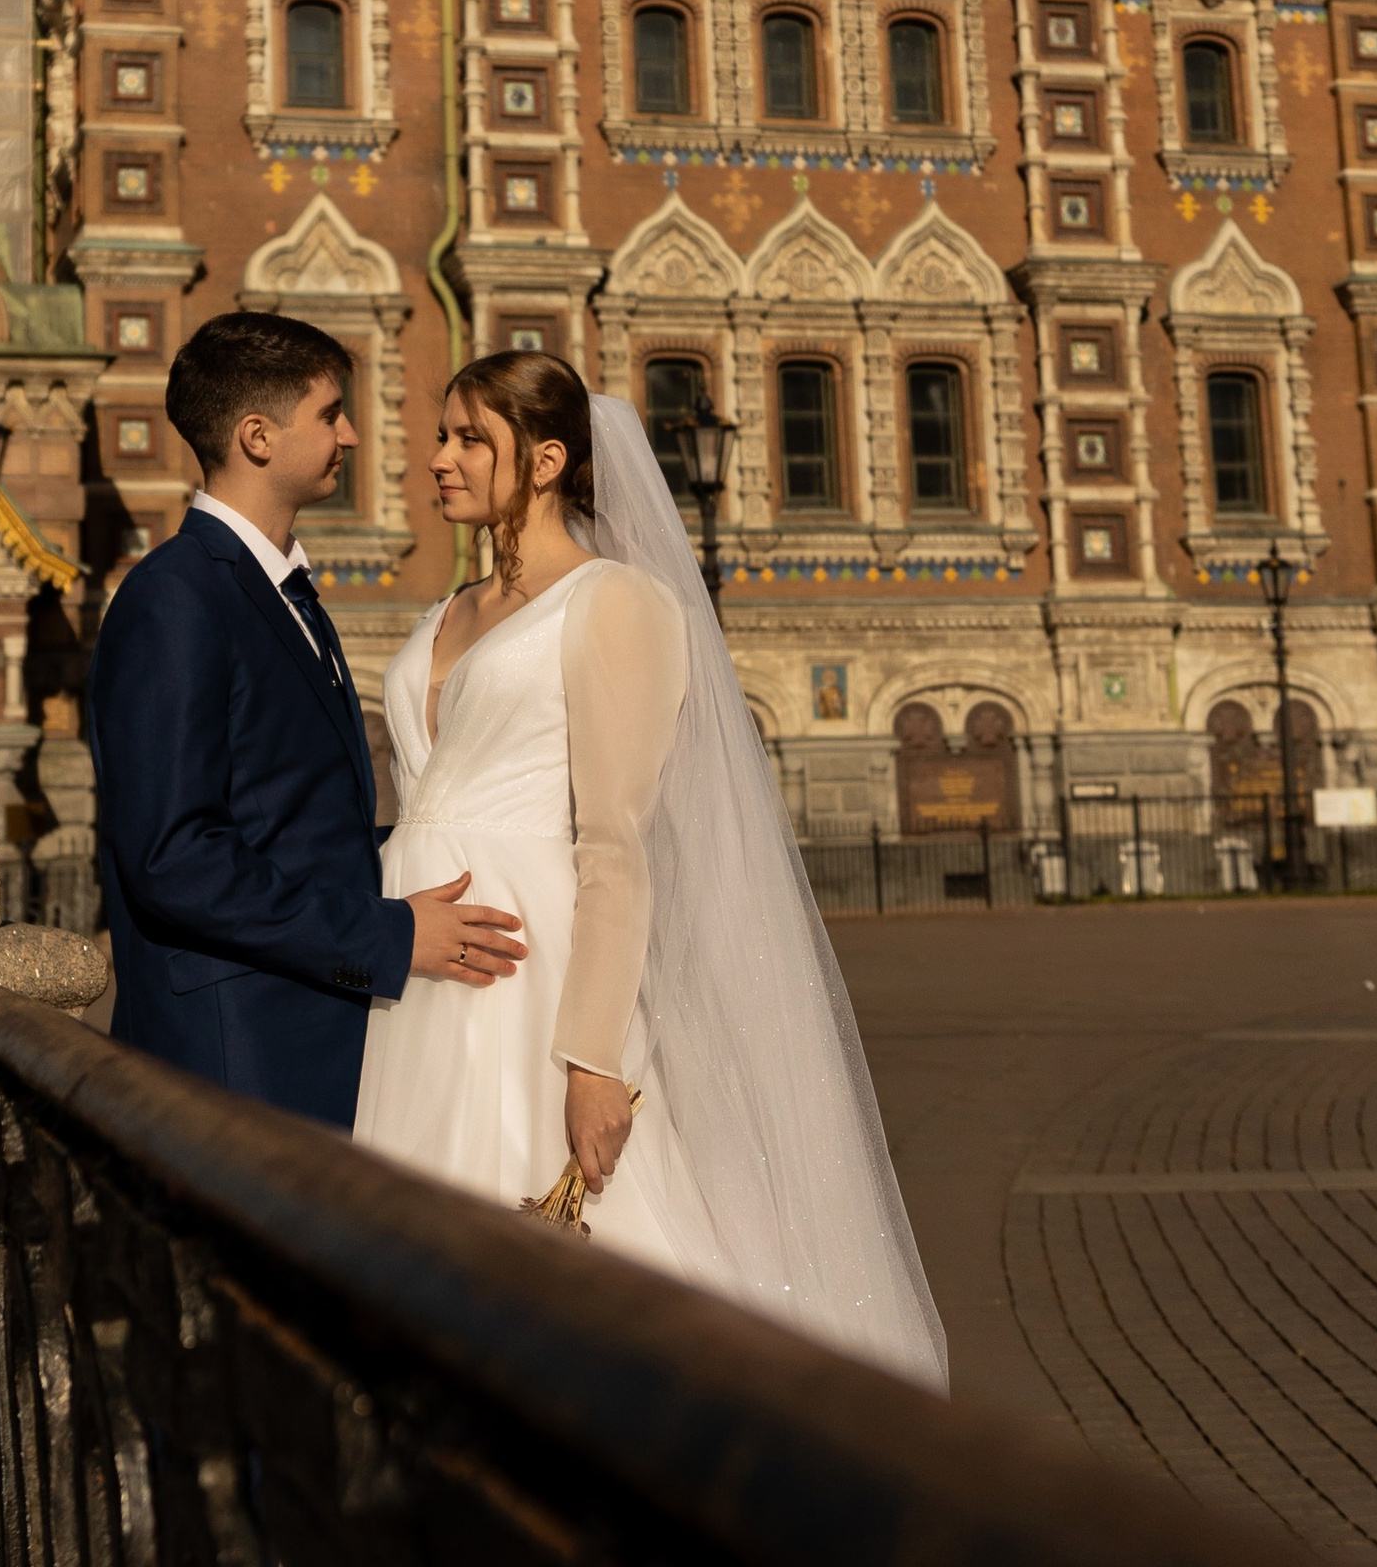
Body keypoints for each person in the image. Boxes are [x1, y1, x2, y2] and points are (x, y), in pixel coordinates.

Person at [352, 353, 947, 1388]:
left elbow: (615, 845)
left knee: (568, 1255)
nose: (437, 457)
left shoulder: (614, 603)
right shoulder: (445, 607)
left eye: (467, 439)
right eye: (441, 434)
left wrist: (593, 1059)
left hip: (531, 976)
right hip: (417, 970)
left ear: (544, 461)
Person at [87, 312, 524, 1128]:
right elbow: (175, 857)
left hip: (306, 1033)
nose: (352, 435)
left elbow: (294, 821)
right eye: (330, 413)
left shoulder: (286, 595)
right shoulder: (175, 598)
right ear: (258, 436)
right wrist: (389, 938)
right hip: (236, 1058)